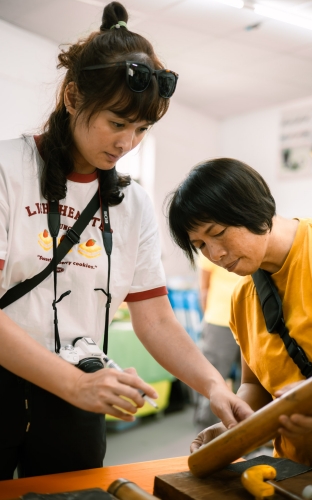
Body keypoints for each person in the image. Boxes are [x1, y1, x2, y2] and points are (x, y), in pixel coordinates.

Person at [0, 2, 251, 478]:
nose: (126, 143)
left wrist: (214, 385)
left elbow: (154, 316)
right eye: (117, 123)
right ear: (73, 97)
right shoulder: (7, 170)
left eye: (142, 129)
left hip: (80, 388)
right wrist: (73, 386)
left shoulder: (130, 203)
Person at [168, 158, 312, 473]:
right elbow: (255, 387)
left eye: (217, 233)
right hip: (294, 468)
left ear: (252, 208)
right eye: (201, 244)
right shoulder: (244, 298)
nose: (214, 254)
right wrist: (231, 430)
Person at [192, 255, 245, 429]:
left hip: (251, 320)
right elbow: (204, 287)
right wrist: (208, 316)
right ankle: (207, 430)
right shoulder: (211, 249)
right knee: (213, 378)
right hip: (219, 321)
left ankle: (248, 431)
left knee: (249, 382)